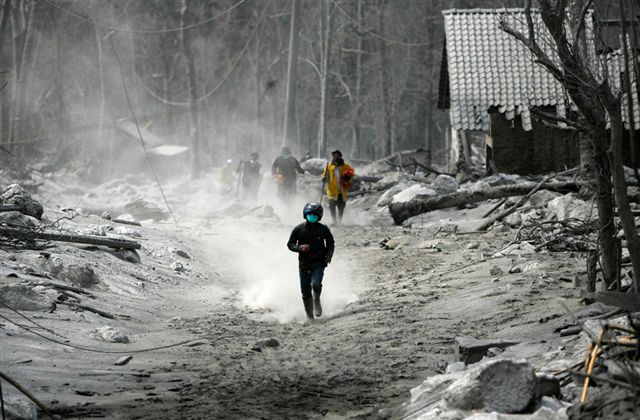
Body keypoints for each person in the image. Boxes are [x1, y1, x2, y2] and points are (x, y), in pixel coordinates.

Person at [287, 202, 334, 320]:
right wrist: (299, 248)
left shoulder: (324, 229)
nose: (312, 217)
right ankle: (309, 316)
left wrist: (329, 255)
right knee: (305, 291)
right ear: (305, 215)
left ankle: (317, 299)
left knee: (316, 284)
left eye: (315, 215)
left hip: (319, 262)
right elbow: (290, 244)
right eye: (309, 214)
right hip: (304, 264)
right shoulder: (298, 229)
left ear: (319, 216)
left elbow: (330, 243)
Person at [321, 150, 355, 225]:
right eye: (334, 156)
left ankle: (339, 221)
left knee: (341, 207)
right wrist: (323, 178)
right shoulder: (329, 166)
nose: (336, 158)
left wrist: (348, 178)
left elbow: (352, 172)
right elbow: (324, 174)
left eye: (337, 156)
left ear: (340, 157)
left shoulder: (345, 166)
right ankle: (334, 221)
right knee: (332, 206)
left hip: (342, 190)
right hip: (331, 190)